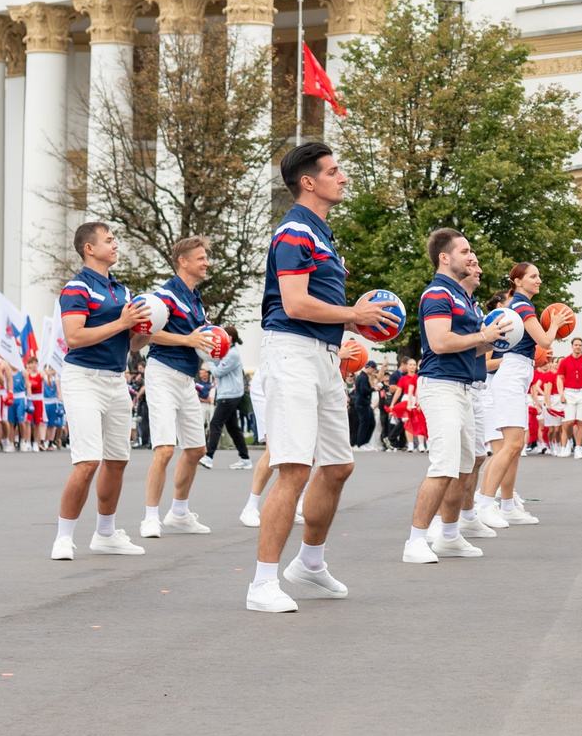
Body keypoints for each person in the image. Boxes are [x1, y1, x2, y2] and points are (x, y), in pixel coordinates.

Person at [245, 141, 391, 611]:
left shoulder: (322, 234)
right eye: (333, 171)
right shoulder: (294, 232)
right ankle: (261, 584)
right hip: (292, 355)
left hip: (324, 357)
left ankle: (309, 563)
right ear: (308, 182)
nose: (342, 178)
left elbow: (319, 305)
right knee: (294, 469)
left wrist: (354, 323)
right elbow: (294, 304)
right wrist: (354, 314)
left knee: (339, 465)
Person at [50, 221, 153, 560]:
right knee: (87, 461)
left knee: (118, 460)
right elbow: (74, 337)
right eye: (109, 240)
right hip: (83, 379)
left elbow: (133, 343)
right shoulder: (77, 287)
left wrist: (147, 328)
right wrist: (122, 323)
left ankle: (106, 533)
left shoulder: (122, 291)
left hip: (115, 379)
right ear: (89, 248)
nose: (115, 245)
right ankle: (63, 537)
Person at [404, 226, 490, 566]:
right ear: (444, 257)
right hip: (441, 387)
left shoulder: (463, 296)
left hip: (463, 386)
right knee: (443, 465)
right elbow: (440, 343)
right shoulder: (437, 293)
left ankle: (449, 536)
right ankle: (415, 540)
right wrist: (483, 336)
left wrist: (497, 337)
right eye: (464, 251)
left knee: (464, 467)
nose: (471, 257)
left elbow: (472, 347)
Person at [137, 236, 219, 538]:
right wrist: (187, 339)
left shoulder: (196, 298)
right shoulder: (163, 296)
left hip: (186, 379)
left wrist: (214, 345)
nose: (207, 262)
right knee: (165, 450)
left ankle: (179, 513)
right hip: (162, 374)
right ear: (183, 261)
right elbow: (146, 333)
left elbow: (200, 338)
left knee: (196, 449)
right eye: (201, 258)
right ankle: (150, 517)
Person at [474, 266, 552, 525]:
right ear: (517, 281)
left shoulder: (518, 304)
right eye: (533, 276)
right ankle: (485, 503)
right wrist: (557, 324)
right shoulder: (522, 305)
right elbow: (544, 341)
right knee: (511, 446)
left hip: (517, 374)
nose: (538, 280)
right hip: (512, 374)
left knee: (514, 448)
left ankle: (506, 505)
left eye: (538, 276)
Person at [202, 329, 253, 469]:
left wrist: (208, 359)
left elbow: (218, 372)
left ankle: (209, 456)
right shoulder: (227, 352)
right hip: (227, 394)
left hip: (230, 395)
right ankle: (245, 458)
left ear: (229, 338)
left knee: (215, 424)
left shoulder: (232, 354)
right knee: (233, 429)